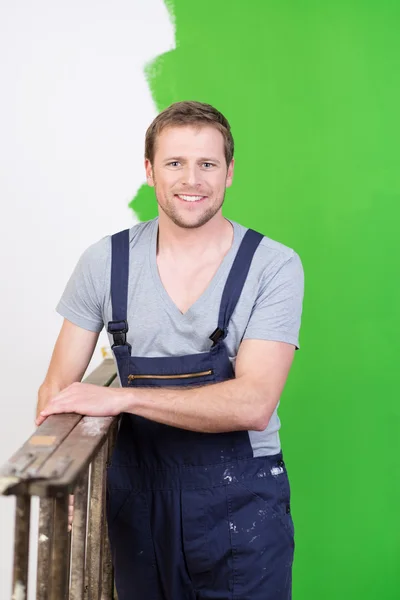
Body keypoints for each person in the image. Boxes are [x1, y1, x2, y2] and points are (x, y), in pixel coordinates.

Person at [36, 101, 304, 600]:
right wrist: (60, 480)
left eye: (208, 164)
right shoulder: (105, 262)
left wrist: (124, 397)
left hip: (243, 504)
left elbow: (254, 403)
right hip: (138, 502)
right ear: (149, 171)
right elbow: (56, 386)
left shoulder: (272, 266)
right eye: (175, 162)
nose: (192, 179)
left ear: (229, 174)